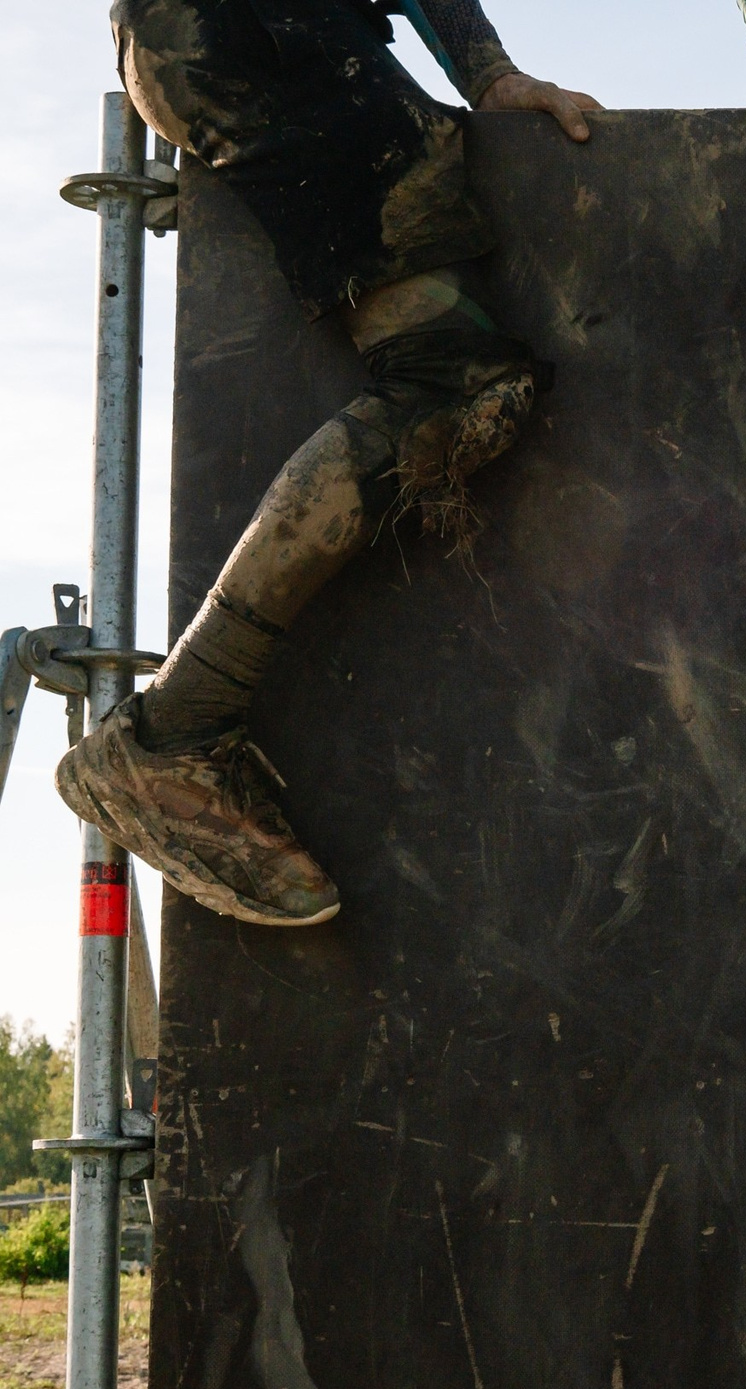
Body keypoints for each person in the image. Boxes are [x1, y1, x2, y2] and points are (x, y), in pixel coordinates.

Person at [58, 0, 597, 926]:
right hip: (252, 32)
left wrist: (489, 74)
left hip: (276, 35)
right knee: (456, 384)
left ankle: (179, 726)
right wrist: (487, 70)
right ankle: (174, 730)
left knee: (460, 383)